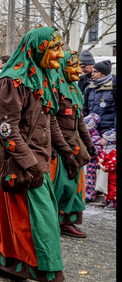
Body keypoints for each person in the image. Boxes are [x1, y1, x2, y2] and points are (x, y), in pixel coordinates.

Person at [0, 27, 83, 282]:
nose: (59, 54)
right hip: (20, 163)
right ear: (37, 49)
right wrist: (31, 165)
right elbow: (7, 128)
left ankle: (1, 261)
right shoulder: (12, 81)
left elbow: (50, 120)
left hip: (41, 162)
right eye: (53, 47)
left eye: (59, 47)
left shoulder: (44, 78)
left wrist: (66, 153)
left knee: (13, 219)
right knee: (45, 222)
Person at [51, 50, 97, 238]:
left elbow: (79, 121)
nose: (79, 70)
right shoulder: (54, 89)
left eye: (79, 66)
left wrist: (89, 144)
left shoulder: (74, 89)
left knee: (75, 185)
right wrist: (60, 149)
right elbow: (51, 122)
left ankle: (67, 221)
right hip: (58, 149)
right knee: (61, 185)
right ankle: (56, 221)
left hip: (74, 146)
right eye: (74, 65)